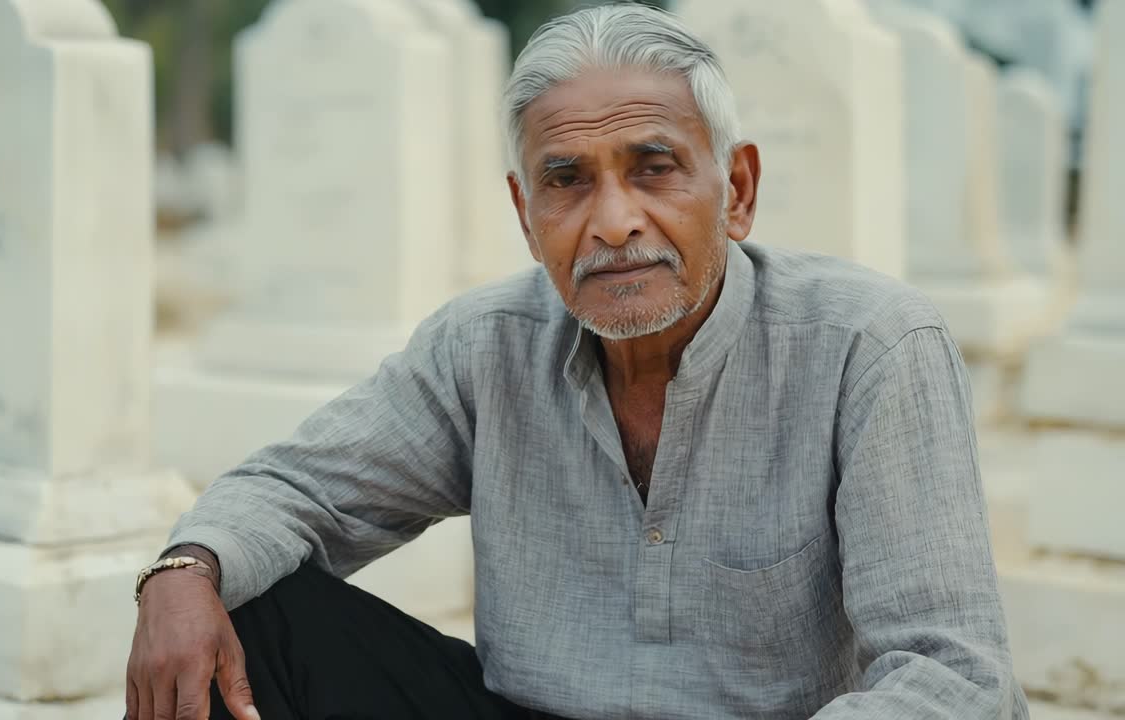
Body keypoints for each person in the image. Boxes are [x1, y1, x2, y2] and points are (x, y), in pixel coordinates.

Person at [124, 5, 1029, 719]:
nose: (613, 221)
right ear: (526, 215)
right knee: (243, 610)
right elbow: (295, 490)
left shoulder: (869, 348)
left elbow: (951, 673)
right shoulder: (484, 346)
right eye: (568, 180)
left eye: (654, 168)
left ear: (738, 191)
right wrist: (184, 569)